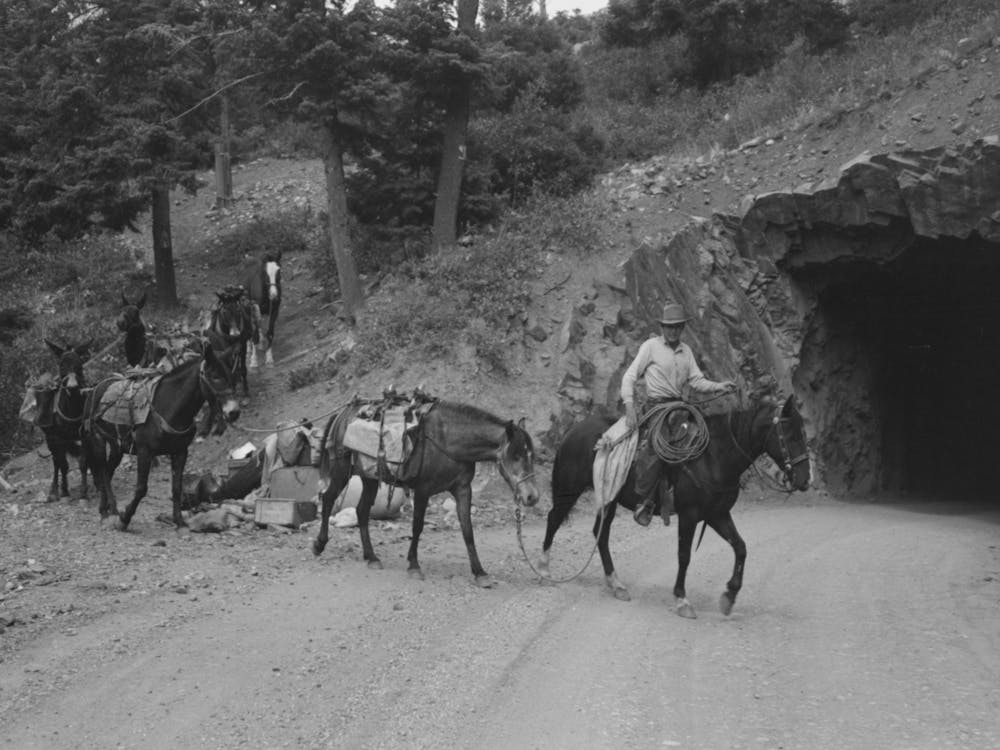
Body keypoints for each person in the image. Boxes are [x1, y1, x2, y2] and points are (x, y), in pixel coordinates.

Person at [622, 302, 735, 526]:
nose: (673, 331)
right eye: (669, 326)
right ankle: (645, 500)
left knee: (702, 436)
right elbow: (629, 376)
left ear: (682, 327)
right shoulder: (650, 347)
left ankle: (695, 492)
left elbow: (696, 380)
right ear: (663, 327)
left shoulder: (686, 351)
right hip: (657, 408)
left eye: (677, 327)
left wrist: (719, 386)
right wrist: (629, 406)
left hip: (680, 407)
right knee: (659, 446)